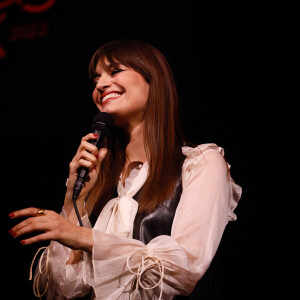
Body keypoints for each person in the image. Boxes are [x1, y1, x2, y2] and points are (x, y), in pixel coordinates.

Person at [8, 39, 242, 299]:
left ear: (153, 80)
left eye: (115, 71)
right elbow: (61, 289)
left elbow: (182, 269)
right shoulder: (104, 179)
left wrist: (85, 238)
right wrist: (75, 199)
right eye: (95, 79)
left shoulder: (200, 164)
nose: (100, 84)